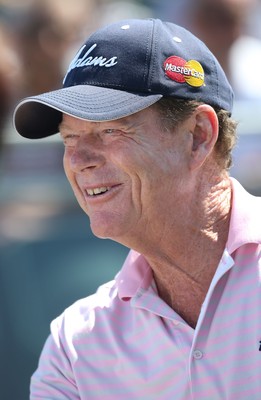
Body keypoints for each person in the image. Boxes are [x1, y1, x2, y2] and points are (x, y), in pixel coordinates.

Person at [13, 18, 261, 399]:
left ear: (198, 137)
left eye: (110, 130)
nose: (79, 160)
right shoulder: (76, 345)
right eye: (69, 138)